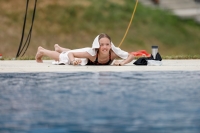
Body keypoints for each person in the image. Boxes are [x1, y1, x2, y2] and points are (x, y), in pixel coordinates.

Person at [35, 33, 134, 66]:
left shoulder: (113, 53)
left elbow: (131, 56)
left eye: (107, 44)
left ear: (110, 45)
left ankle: (59, 48)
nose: (105, 47)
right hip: (82, 55)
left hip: (83, 54)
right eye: (102, 45)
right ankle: (42, 51)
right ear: (97, 46)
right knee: (63, 57)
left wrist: (123, 63)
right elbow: (71, 54)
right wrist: (73, 61)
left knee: (78, 53)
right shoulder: (91, 54)